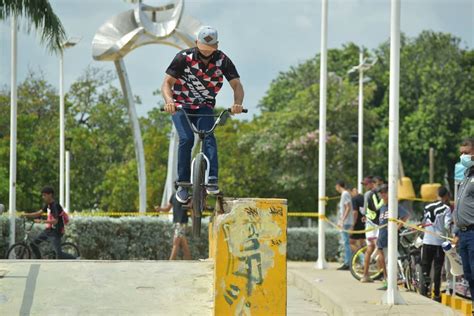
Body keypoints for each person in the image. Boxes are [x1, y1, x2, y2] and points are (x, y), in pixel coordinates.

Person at [161, 26, 245, 203]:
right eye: (203, 49)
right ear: (196, 43)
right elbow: (167, 83)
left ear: (217, 45)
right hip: (181, 105)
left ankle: (212, 179)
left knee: (208, 136)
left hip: (204, 106)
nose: (206, 54)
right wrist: (169, 102)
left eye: (211, 50)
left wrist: (237, 104)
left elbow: (237, 85)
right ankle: (183, 184)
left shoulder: (222, 60)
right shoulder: (184, 58)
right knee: (186, 139)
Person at [23, 186, 76, 259]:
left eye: (44, 195)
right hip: (49, 230)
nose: (43, 197)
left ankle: (75, 258)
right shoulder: (48, 204)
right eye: (42, 195)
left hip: (56, 232)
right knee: (33, 244)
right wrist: (26, 215)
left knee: (58, 254)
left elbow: (55, 221)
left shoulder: (55, 206)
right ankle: (39, 260)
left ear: (50, 195)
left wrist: (41, 221)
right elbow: (39, 213)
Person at [420, 186, 452, 302]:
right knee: (438, 268)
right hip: (439, 242)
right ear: (446, 196)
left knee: (426, 266)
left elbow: (423, 222)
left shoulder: (427, 206)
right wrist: (450, 235)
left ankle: (424, 291)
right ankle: (436, 294)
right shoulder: (446, 208)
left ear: (437, 194)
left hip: (427, 240)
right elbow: (447, 226)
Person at [376, 184, 410, 290]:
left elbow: (406, 216)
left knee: (389, 259)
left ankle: (392, 281)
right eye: (381, 193)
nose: (382, 194)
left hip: (388, 236)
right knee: (381, 258)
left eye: (384, 192)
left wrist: (396, 227)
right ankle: (387, 280)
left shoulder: (393, 205)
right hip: (381, 234)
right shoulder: (382, 207)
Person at [453, 137, 474, 303]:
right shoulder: (467, 174)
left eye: (466, 153)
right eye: (461, 153)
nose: (462, 157)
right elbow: (460, 202)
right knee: (468, 274)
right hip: (463, 233)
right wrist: (456, 230)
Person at [360, 176, 385, 282]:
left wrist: (365, 215)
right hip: (374, 224)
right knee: (378, 249)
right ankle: (384, 277)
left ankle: (366, 275)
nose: (365, 186)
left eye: (366, 184)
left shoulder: (371, 194)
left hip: (371, 224)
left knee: (371, 249)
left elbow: (366, 209)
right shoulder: (371, 194)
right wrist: (385, 200)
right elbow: (376, 207)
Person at [156, 194, 192, 260]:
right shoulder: (174, 195)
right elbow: (168, 208)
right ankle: (189, 259)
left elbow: (190, 208)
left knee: (176, 242)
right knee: (183, 243)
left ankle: (171, 260)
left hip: (182, 222)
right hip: (176, 222)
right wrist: (160, 209)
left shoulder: (187, 195)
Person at [335, 180, 353, 270]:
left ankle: (348, 262)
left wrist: (342, 220)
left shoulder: (345, 194)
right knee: (346, 242)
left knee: (346, 242)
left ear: (338, 186)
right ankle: (348, 261)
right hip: (346, 221)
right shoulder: (345, 194)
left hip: (346, 222)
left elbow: (348, 207)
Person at [349, 187, 366, 252]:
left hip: (357, 224)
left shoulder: (354, 199)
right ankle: (368, 258)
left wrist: (352, 225)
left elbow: (355, 212)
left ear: (352, 191)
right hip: (364, 223)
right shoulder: (363, 197)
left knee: (350, 243)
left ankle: (362, 257)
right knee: (362, 244)